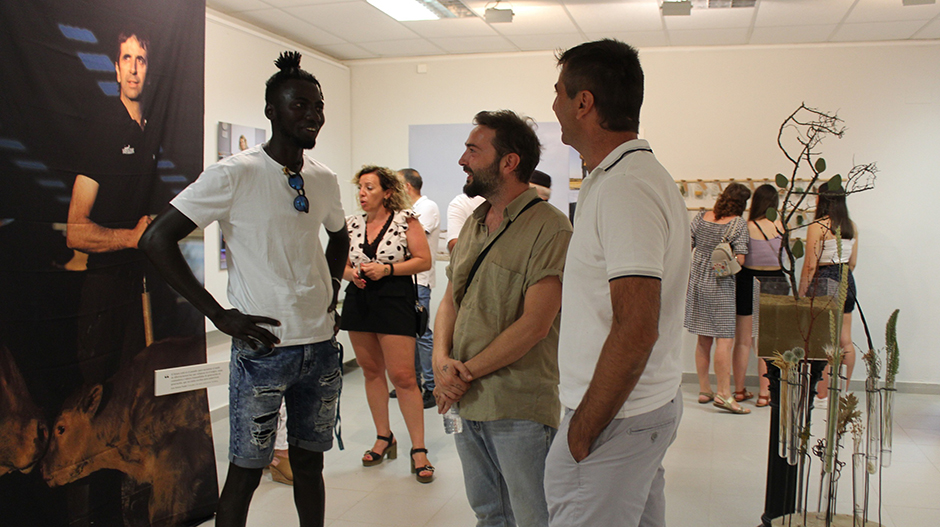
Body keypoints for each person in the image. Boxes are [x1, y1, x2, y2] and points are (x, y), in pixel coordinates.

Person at [139, 51, 349, 527]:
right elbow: (155, 239)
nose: (312, 114)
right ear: (272, 112)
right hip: (264, 349)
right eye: (299, 105)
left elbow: (339, 236)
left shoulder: (323, 178)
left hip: (319, 346)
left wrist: (331, 289)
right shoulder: (235, 173)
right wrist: (219, 315)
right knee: (246, 472)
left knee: (310, 465)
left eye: (317, 105)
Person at [543, 39, 691, 527]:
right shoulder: (619, 178)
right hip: (635, 411)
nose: (554, 105)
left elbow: (636, 327)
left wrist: (581, 432)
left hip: (615, 419)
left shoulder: (627, 186)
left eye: (559, 92)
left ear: (584, 102)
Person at [433, 109, 572, 526]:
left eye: (473, 150)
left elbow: (535, 325)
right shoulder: (474, 223)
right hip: (464, 401)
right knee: (488, 512)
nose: (463, 160)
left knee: (532, 516)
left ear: (509, 162)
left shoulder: (551, 229)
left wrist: (461, 374)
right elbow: (450, 301)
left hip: (517, 406)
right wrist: (441, 362)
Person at [66, 30, 160, 382]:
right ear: (116, 70)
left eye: (141, 60)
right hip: (104, 291)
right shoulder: (104, 129)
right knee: (100, 401)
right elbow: (75, 231)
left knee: (136, 405)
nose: (134, 69)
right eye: (126, 59)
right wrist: (130, 239)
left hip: (144, 288)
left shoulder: (152, 132)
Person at [340, 166, 434, 482]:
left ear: (387, 192)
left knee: (404, 376)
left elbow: (423, 260)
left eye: (369, 187)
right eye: (360, 188)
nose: (362, 194)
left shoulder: (406, 220)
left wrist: (387, 271)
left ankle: (419, 449)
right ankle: (384, 436)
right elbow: (338, 261)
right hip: (360, 300)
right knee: (370, 371)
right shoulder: (351, 224)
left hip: (395, 299)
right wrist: (351, 274)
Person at [687, 182, 752, 414]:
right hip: (721, 283)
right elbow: (741, 260)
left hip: (697, 283)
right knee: (724, 340)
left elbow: (688, 246)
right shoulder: (737, 224)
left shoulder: (701, 217)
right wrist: (724, 265)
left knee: (703, 340)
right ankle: (724, 394)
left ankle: (705, 389)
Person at [800, 187, 858, 402]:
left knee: (823, 339)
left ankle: (822, 392)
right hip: (846, 279)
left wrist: (802, 293)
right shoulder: (852, 227)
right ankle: (842, 390)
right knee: (845, 339)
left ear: (820, 199)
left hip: (825, 278)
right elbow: (852, 263)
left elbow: (809, 265)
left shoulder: (818, 226)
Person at [734, 184, 787, 408]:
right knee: (768, 342)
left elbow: (739, 258)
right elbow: (784, 259)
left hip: (747, 282)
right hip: (776, 282)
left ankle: (738, 390)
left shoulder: (746, 226)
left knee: (743, 341)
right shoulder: (782, 226)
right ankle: (766, 393)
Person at [397, 168, 439, 409]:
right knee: (407, 334)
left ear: (407, 187)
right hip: (405, 281)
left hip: (419, 281)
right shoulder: (407, 211)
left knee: (422, 334)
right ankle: (411, 383)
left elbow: (406, 240)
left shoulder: (427, 207)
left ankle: (432, 387)